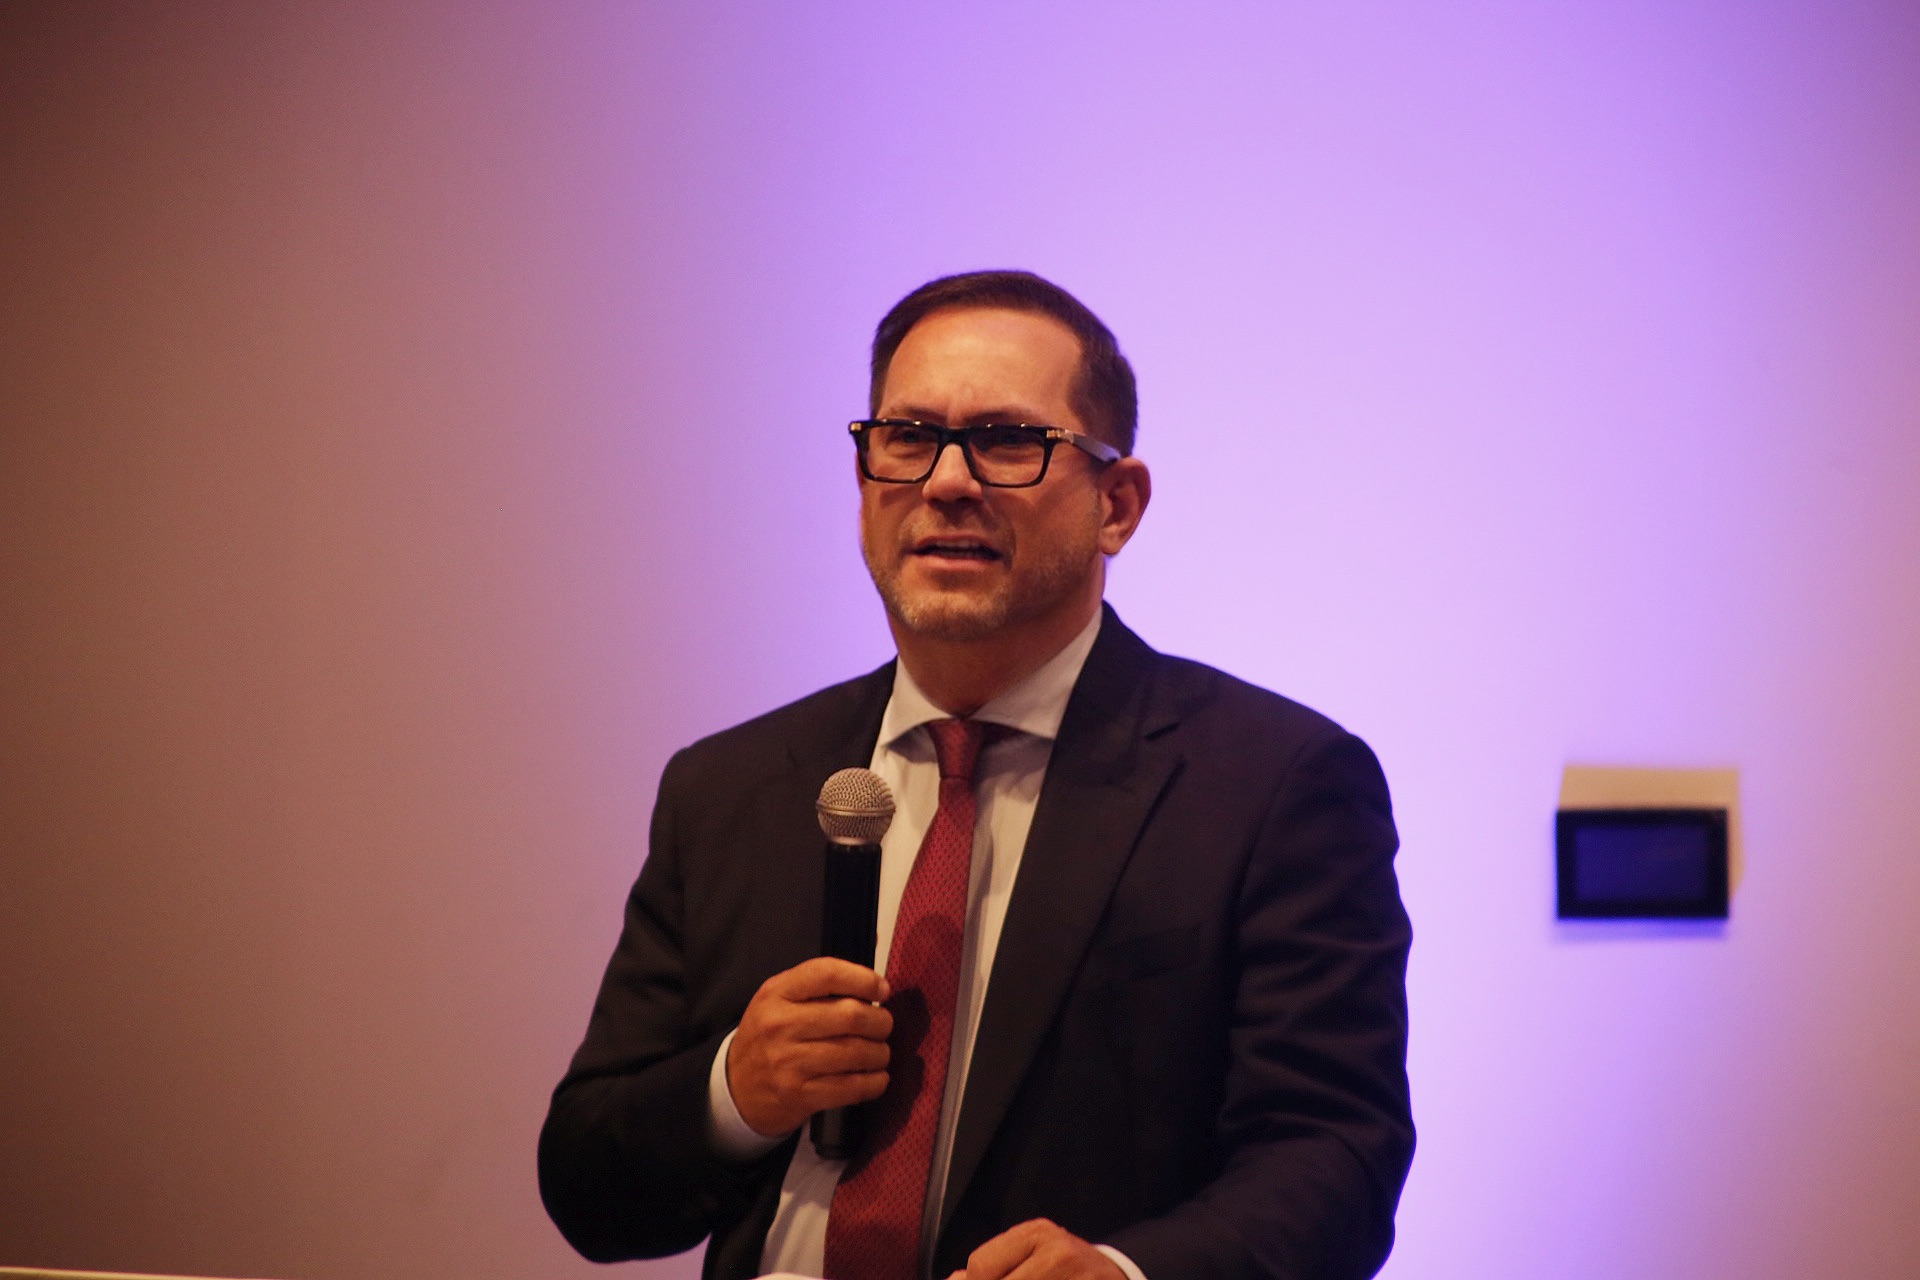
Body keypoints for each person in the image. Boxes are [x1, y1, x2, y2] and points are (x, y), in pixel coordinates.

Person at [539, 271, 1414, 1280]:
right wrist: (737, 1089)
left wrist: (1127, 1272)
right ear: (864, 483)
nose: (947, 481)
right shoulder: (729, 787)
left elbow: (1334, 1158)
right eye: (908, 436)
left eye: (1005, 440)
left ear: (1117, 504)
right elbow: (587, 1183)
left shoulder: (1273, 785)